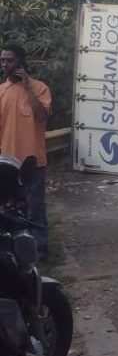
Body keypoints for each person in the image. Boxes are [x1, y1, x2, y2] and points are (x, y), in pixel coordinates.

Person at [0, 44, 52, 261]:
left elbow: (41, 116)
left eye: (9, 60)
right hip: (6, 163)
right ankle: (12, 252)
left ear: (21, 61)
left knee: (34, 211)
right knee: (7, 210)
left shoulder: (40, 88)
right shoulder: (2, 90)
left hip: (32, 162)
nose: (5, 65)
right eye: (2, 60)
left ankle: (39, 255)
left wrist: (28, 87)